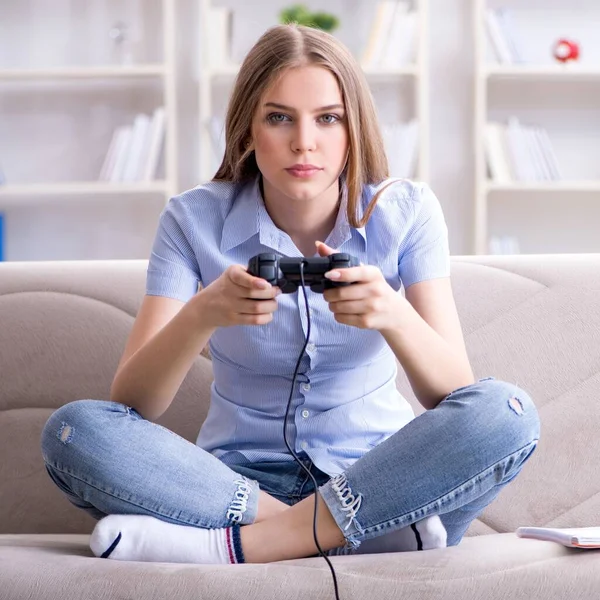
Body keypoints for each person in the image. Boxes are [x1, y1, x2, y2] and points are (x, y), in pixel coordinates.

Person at [41, 24, 540, 566]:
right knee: (74, 431)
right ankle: (352, 538)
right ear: (249, 129)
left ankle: (237, 549)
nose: (305, 141)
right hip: (237, 486)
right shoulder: (192, 220)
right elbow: (132, 403)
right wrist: (202, 314)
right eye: (279, 117)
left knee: (506, 412)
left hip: (382, 476)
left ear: (354, 129)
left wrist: (392, 315)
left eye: (328, 118)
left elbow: (453, 393)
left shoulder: (408, 212)